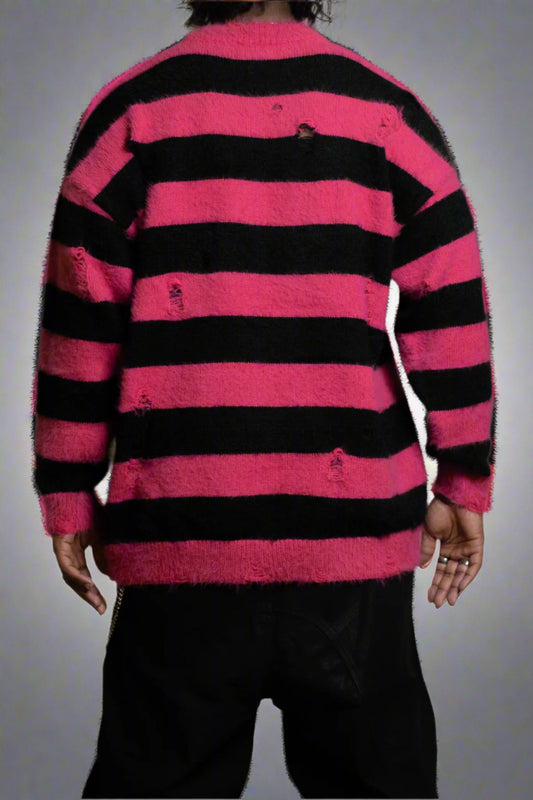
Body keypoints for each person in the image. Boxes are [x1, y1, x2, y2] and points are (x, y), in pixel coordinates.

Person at [30, 1, 497, 797]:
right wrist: (462, 476)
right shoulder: (385, 114)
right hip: (351, 545)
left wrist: (68, 491)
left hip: (182, 535)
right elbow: (449, 299)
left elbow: (79, 319)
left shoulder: (132, 115)